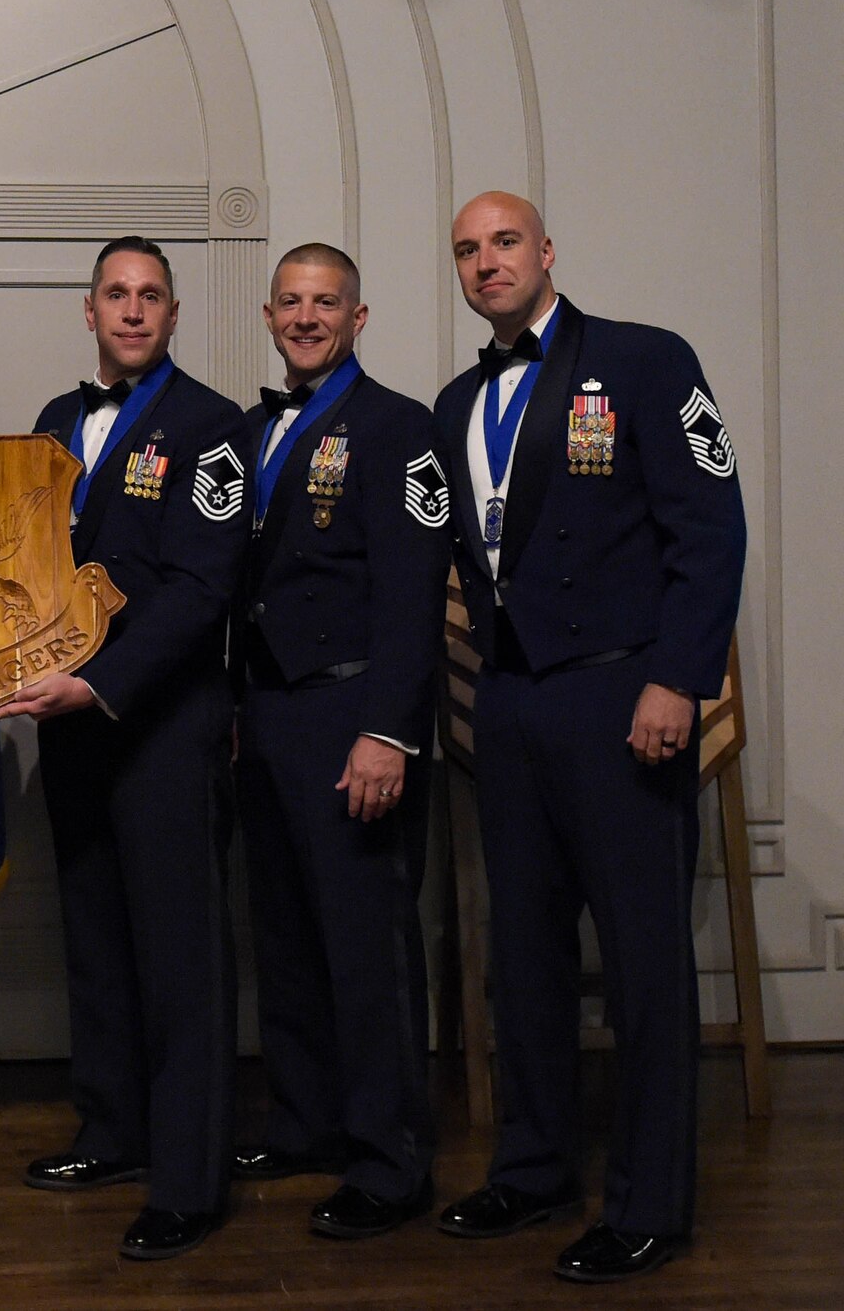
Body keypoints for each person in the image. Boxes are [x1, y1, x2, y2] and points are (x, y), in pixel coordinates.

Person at [431, 192, 745, 1283]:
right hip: (509, 704)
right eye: (466, 250)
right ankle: (531, 1168)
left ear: (546, 252)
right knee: (521, 958)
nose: (485, 262)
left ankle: (649, 1202)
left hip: (623, 699)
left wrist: (674, 678)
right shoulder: (454, 401)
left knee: (643, 963)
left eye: (503, 241)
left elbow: (710, 530)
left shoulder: (645, 361)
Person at [0, 236, 247, 1260]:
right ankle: (111, 1130)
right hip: (70, 730)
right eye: (115, 295)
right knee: (94, 942)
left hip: (162, 727)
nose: (131, 311)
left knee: (179, 959)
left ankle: (187, 1178)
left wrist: (99, 683)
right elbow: (20, 572)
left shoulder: (211, 427)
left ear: (171, 314)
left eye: (149, 296)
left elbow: (198, 590)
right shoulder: (54, 425)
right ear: (87, 310)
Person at [229, 243, 447, 1238]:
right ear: (269, 315)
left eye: (326, 302)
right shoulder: (245, 432)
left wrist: (388, 732)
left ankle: (388, 1159)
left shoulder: (398, 428)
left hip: (353, 715)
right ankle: (306, 1120)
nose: (306, 317)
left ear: (358, 316)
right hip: (267, 715)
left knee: (366, 951)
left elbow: (410, 599)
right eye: (291, 302)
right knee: (286, 937)